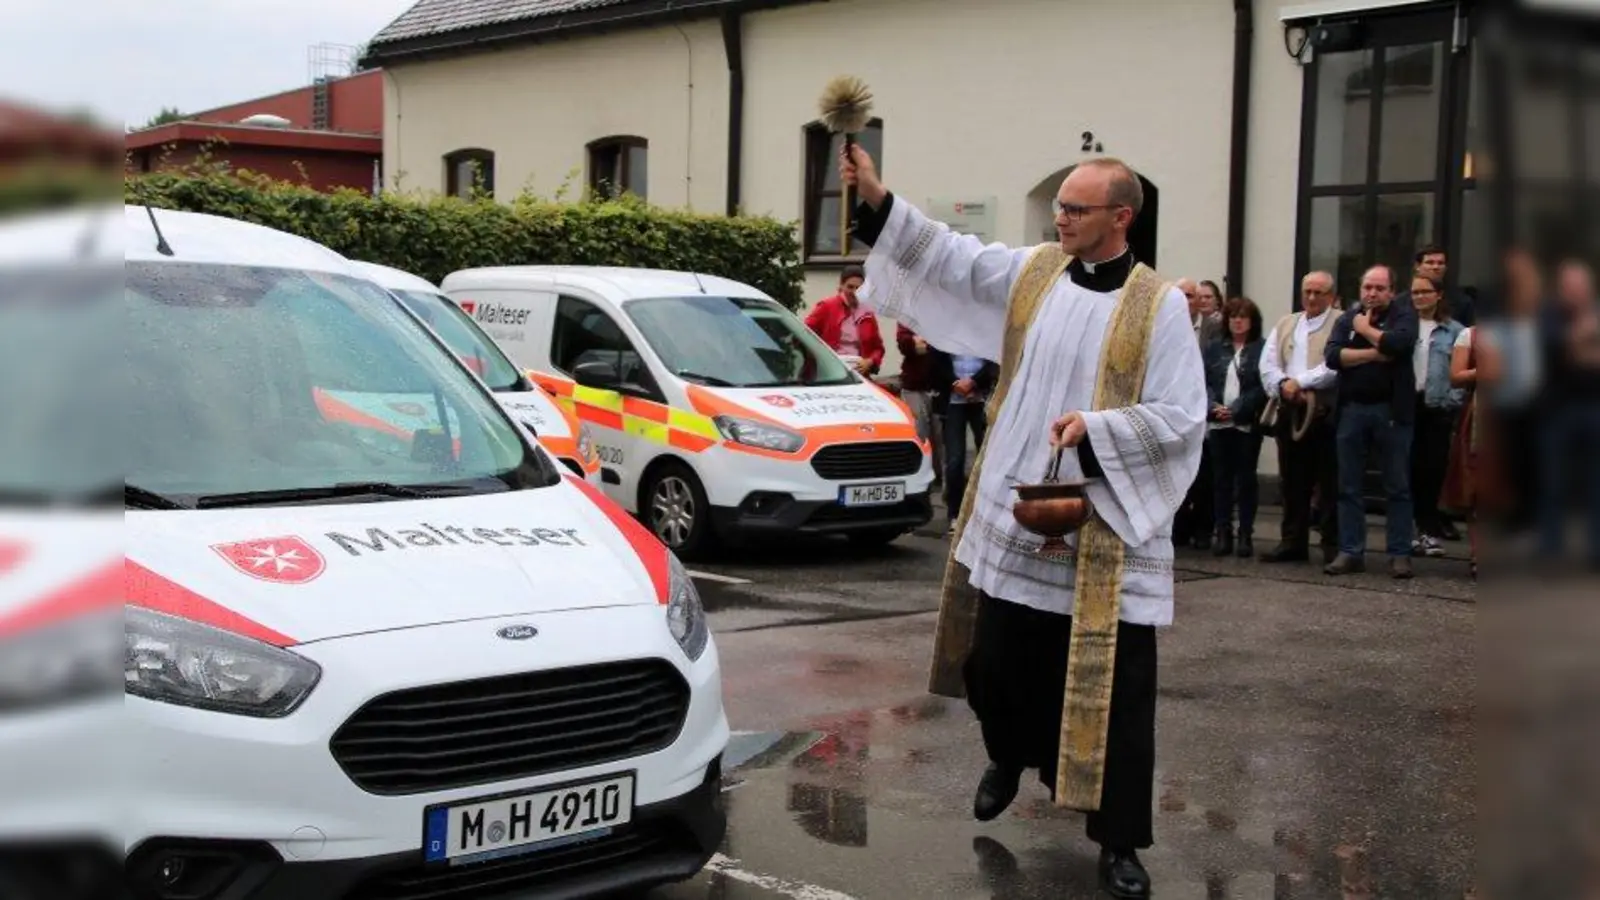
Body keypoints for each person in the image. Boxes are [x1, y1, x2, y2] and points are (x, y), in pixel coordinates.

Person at [840, 144, 1206, 899]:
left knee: (1116, 696)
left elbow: (1180, 417)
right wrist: (878, 198)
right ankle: (1007, 752)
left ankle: (1119, 843)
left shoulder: (1158, 304)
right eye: (1059, 207)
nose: (1060, 218)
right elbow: (952, 257)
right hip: (1018, 502)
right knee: (997, 663)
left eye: (1076, 208)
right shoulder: (1035, 272)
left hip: (1101, 522)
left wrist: (1098, 431)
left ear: (1121, 217)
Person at [1324, 265, 1420, 579]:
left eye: (1379, 288)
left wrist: (1364, 331)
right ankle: (1351, 551)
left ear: (1392, 291)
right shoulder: (1344, 318)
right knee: (1348, 486)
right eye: (1368, 287)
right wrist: (1373, 353)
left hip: (1391, 412)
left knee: (1397, 486)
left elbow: (1397, 344)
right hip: (1352, 411)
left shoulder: (1405, 316)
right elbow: (1333, 357)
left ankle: (1399, 554)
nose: (1372, 293)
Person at [1257, 271, 1341, 564]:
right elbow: (1267, 364)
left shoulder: (1341, 322)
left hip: (1325, 412)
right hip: (1290, 410)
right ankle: (1292, 541)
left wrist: (1301, 382)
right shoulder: (1286, 323)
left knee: (1329, 481)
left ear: (1331, 296)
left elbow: (1336, 364)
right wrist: (1282, 385)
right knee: (1291, 480)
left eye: (1319, 292)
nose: (1312, 297)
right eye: (1308, 291)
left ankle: (1332, 544)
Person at [1408, 273, 1468, 558]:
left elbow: (1461, 369)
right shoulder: (1403, 326)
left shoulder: (1453, 330)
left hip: (1437, 407)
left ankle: (1428, 532)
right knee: (1404, 470)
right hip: (1407, 405)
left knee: (1432, 472)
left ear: (1438, 295)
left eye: (1425, 292)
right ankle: (1407, 531)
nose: (1419, 297)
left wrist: (1452, 401)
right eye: (1415, 292)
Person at [1204, 296, 1267, 558]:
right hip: (1218, 424)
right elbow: (1201, 381)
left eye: (1243, 317)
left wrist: (1238, 408)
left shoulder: (1261, 348)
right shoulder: (1214, 347)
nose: (1238, 321)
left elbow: (1261, 386)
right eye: (1233, 316)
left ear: (1252, 322)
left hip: (1246, 423)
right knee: (1221, 480)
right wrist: (1212, 406)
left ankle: (1245, 534)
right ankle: (1222, 532)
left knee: (1246, 478)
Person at [930, 346, 998, 533]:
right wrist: (954, 383)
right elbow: (935, 361)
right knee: (955, 459)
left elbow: (995, 360)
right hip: (952, 400)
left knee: (989, 456)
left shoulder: (985, 327)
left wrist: (974, 382)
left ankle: (988, 510)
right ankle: (955, 512)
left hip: (981, 398)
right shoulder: (945, 329)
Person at [804, 265, 885, 377]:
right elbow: (805, 334)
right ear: (841, 286)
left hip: (858, 374)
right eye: (850, 287)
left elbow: (878, 348)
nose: (854, 292)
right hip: (829, 372)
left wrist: (869, 362)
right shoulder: (827, 306)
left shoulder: (867, 313)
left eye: (859, 288)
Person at [896, 323, 945, 487]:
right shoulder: (908, 314)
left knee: (940, 435)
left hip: (939, 384)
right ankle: (920, 475)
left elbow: (944, 343)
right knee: (920, 432)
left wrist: (925, 342)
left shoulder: (940, 311)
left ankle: (941, 477)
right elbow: (904, 344)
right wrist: (920, 343)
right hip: (914, 385)